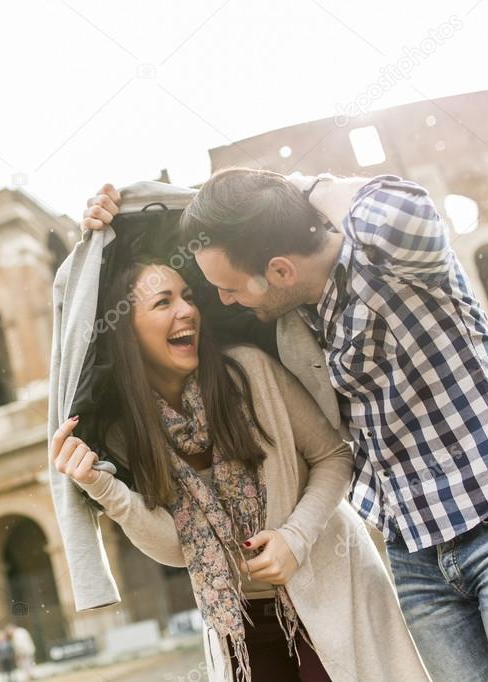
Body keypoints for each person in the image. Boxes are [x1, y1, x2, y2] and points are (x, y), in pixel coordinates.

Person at [82, 171, 488, 681]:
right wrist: (115, 222)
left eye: (227, 289)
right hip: (417, 555)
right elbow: (238, 217)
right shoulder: (301, 317)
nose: (221, 304)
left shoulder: (400, 264)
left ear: (279, 270)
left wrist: (303, 187)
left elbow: (406, 211)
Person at [52, 255, 428, 680]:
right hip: (239, 621)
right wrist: (103, 488)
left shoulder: (249, 370)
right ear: (128, 332)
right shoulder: (128, 432)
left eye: (188, 297)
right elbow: (178, 550)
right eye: (163, 302)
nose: (187, 310)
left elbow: (334, 455)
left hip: (327, 588)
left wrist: (294, 539)